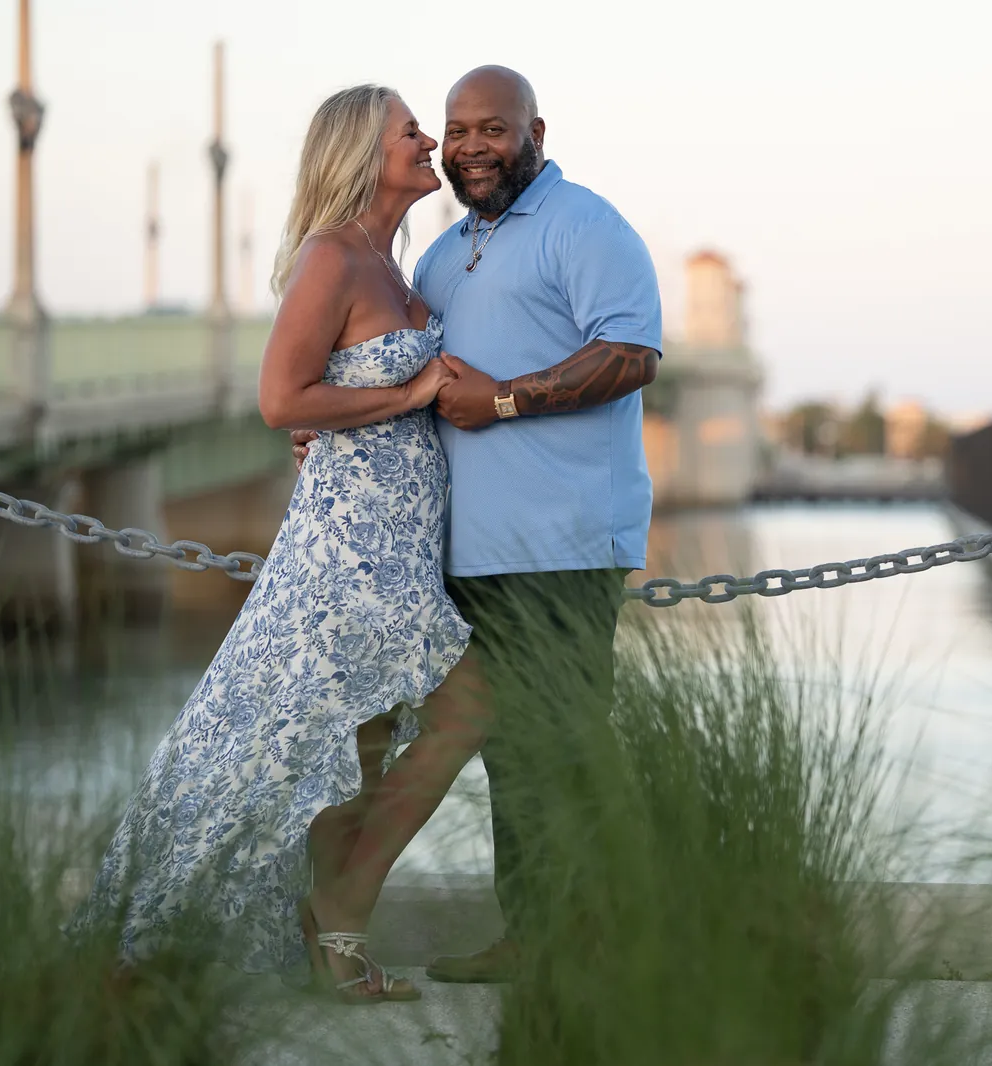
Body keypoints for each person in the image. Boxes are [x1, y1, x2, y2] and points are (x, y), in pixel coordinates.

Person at [68, 84, 488, 1004]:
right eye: (408, 131)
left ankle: (333, 932)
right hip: (343, 557)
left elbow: (332, 400)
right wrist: (406, 396)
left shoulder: (397, 268)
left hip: (402, 551)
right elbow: (281, 400)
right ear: (358, 155)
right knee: (310, 739)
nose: (428, 142)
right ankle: (182, 937)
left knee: (358, 747)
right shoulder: (332, 257)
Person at [291, 65, 662, 984]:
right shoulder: (443, 254)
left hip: (562, 542)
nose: (467, 149)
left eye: (490, 130)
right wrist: (326, 421)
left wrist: (504, 401)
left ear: (536, 129)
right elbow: (420, 385)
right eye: (455, 132)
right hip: (464, 550)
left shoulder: (588, 227)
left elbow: (630, 354)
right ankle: (535, 938)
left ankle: (607, 944)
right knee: (504, 747)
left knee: (569, 742)